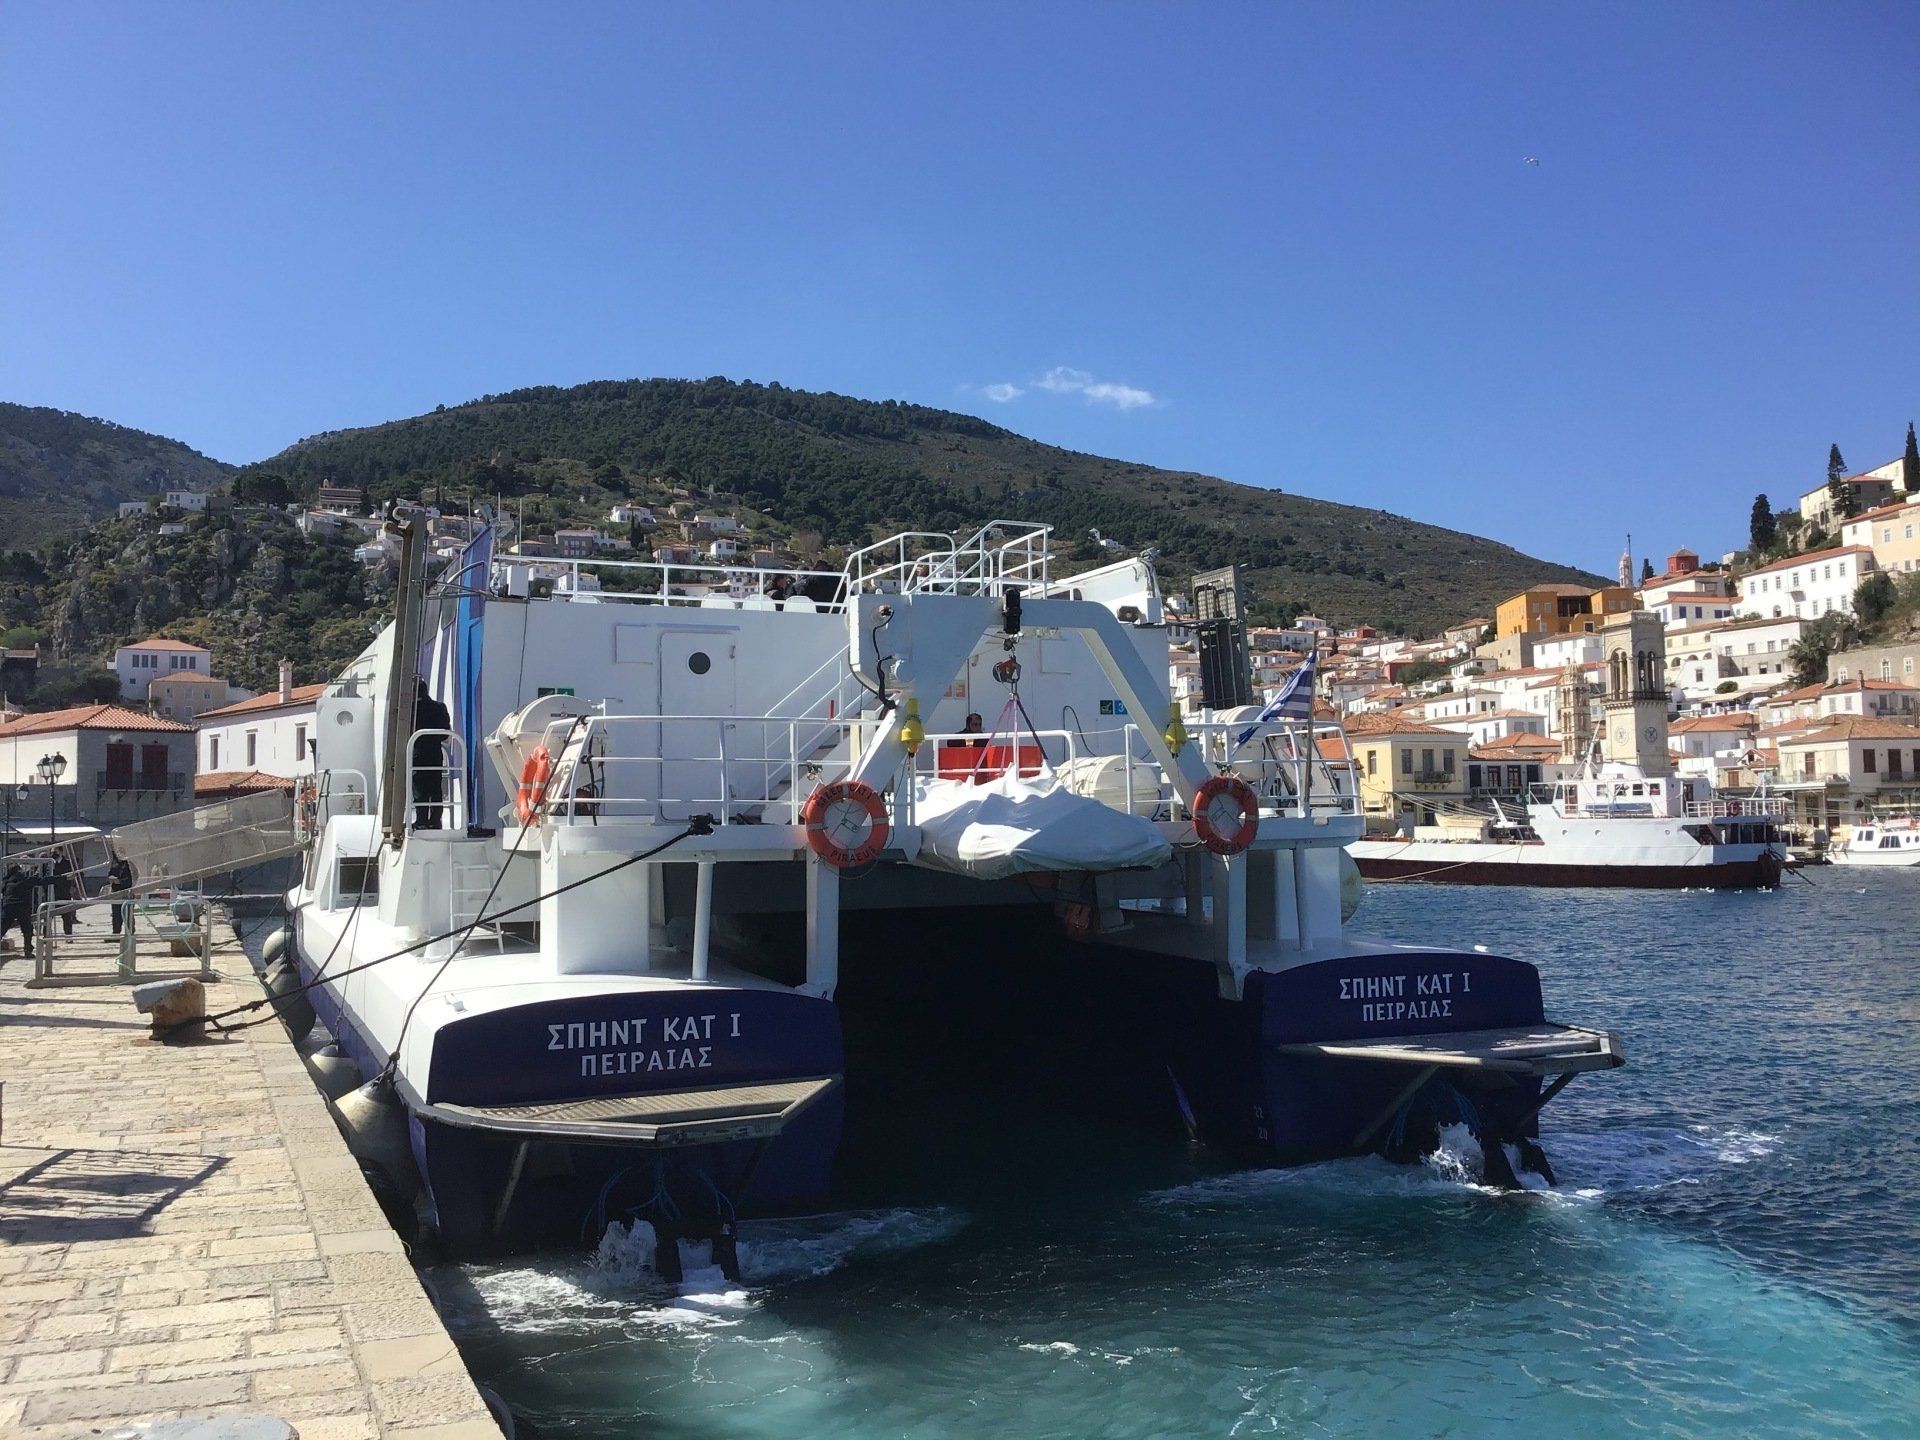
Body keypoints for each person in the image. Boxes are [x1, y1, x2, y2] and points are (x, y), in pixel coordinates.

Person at [411, 679, 453, 829]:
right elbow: (444, 732)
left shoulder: (411, 709)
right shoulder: (439, 707)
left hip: (417, 753)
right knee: (435, 787)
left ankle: (421, 820)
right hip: (435, 753)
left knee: (419, 788)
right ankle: (435, 820)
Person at [2, 863, 52, 960]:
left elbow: (3, 890)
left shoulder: (6, 881)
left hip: (9, 906)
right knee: (27, 931)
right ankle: (28, 951)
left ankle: (28, 950)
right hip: (23, 907)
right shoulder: (26, 880)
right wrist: (64, 878)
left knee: (2, 928)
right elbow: (45, 880)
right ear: (19, 871)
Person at [106, 856, 135, 937]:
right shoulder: (114, 864)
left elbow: (132, 879)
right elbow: (109, 876)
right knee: (116, 914)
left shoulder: (129, 864)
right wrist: (110, 879)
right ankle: (116, 933)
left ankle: (130, 933)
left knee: (128, 914)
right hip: (116, 892)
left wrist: (120, 881)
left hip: (127, 892)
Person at [51, 848, 77, 937]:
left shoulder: (68, 863)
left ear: (61, 852)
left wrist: (73, 887)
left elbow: (74, 875)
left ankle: (68, 936)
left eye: (55, 851)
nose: (53, 853)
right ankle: (46, 937)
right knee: (48, 916)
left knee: (66, 916)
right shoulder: (49, 863)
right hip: (51, 893)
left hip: (64, 892)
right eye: (51, 852)